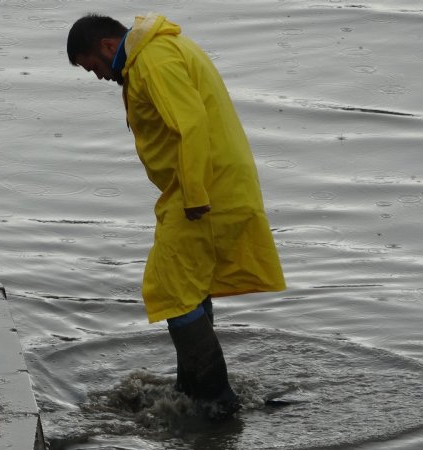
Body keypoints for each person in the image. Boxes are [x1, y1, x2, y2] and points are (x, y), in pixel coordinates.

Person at [67, 13, 285, 420]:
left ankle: (215, 399)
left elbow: (190, 124)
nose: (96, 77)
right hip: (205, 183)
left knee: (170, 286)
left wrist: (195, 194)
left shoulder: (154, 60)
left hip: (202, 189)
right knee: (189, 284)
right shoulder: (157, 53)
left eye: (91, 67)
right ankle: (192, 388)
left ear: (107, 47)